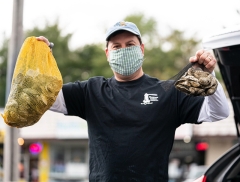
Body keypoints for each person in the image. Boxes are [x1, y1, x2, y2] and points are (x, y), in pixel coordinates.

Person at [36, 21, 229, 182]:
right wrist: (42, 61)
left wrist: (209, 77)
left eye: (130, 44)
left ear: (141, 49)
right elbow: (44, 99)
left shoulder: (168, 92)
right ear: (107, 53)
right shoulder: (91, 91)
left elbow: (219, 112)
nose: (124, 50)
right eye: (116, 46)